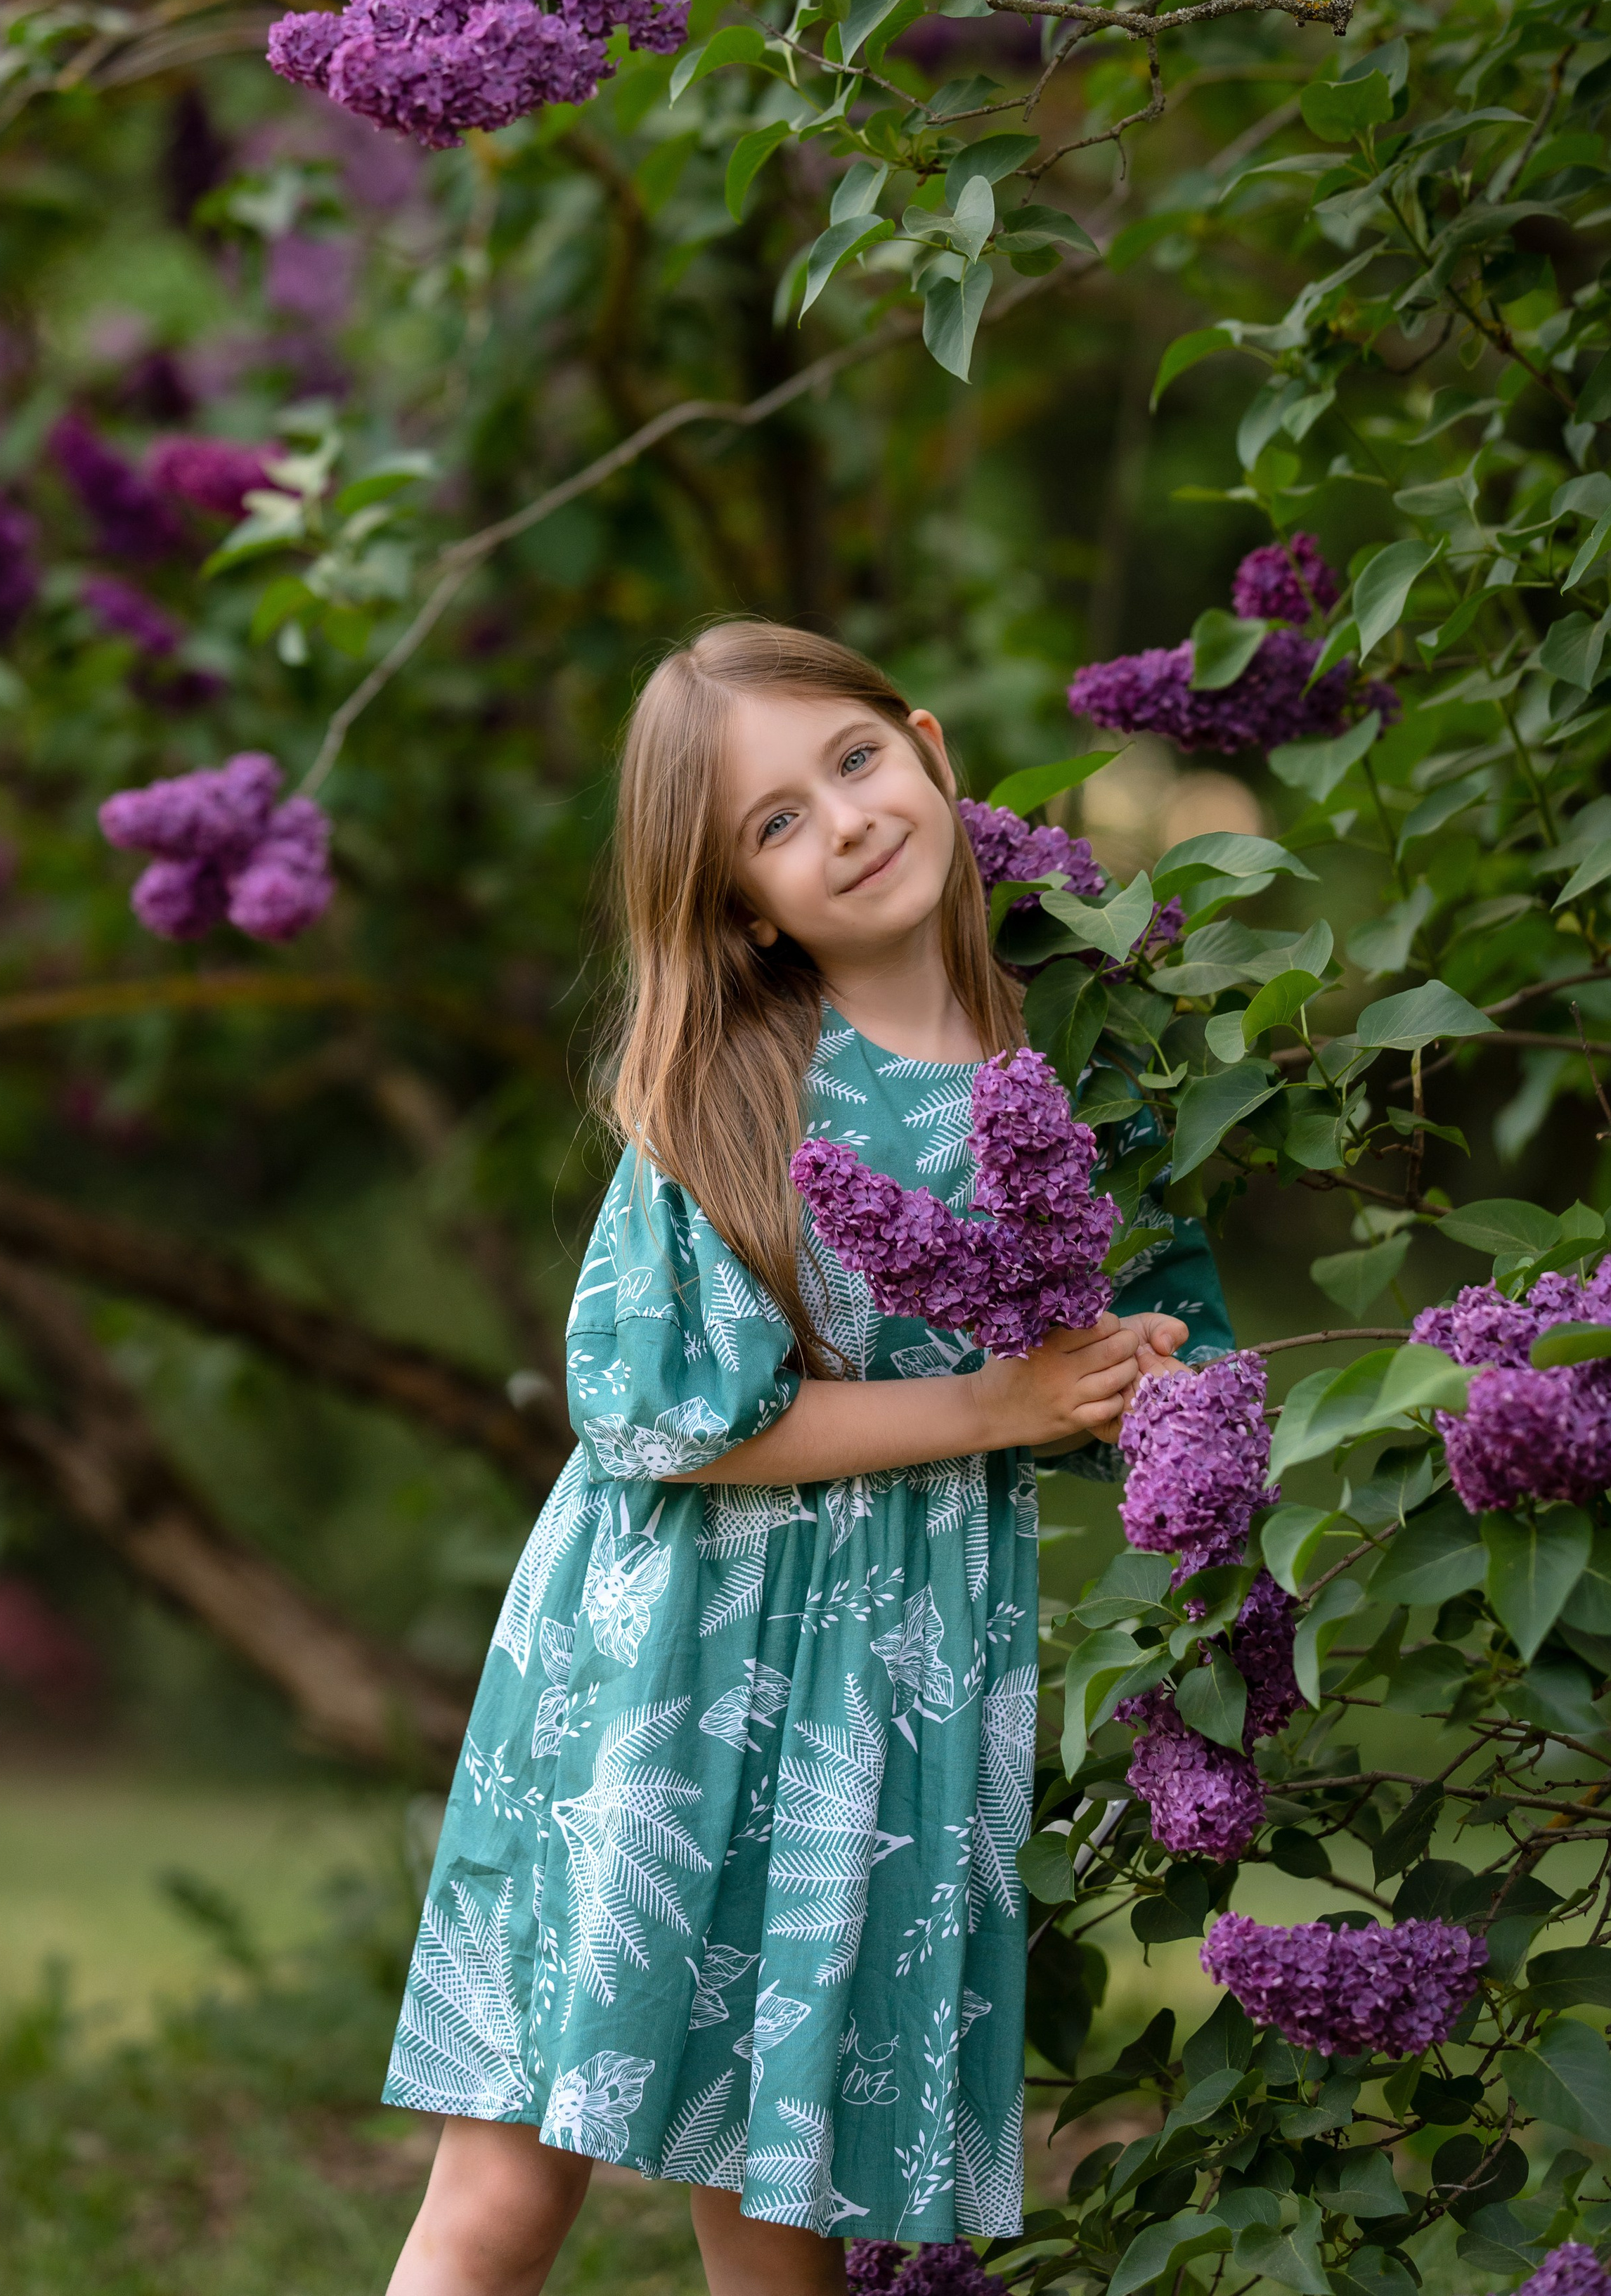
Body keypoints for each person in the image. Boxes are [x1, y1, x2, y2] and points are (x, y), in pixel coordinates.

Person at [381, 620, 1234, 2296]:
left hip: (893, 1681)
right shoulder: (737, 1087)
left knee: (792, 2208)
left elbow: (1163, 1354)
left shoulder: (1086, 1076)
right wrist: (996, 1402)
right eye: (771, 825)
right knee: (506, 2179)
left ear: (921, 745)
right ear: (739, 906)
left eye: (849, 764)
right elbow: (663, 1419)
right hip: (657, 1673)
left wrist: (1138, 1382)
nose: (839, 823)